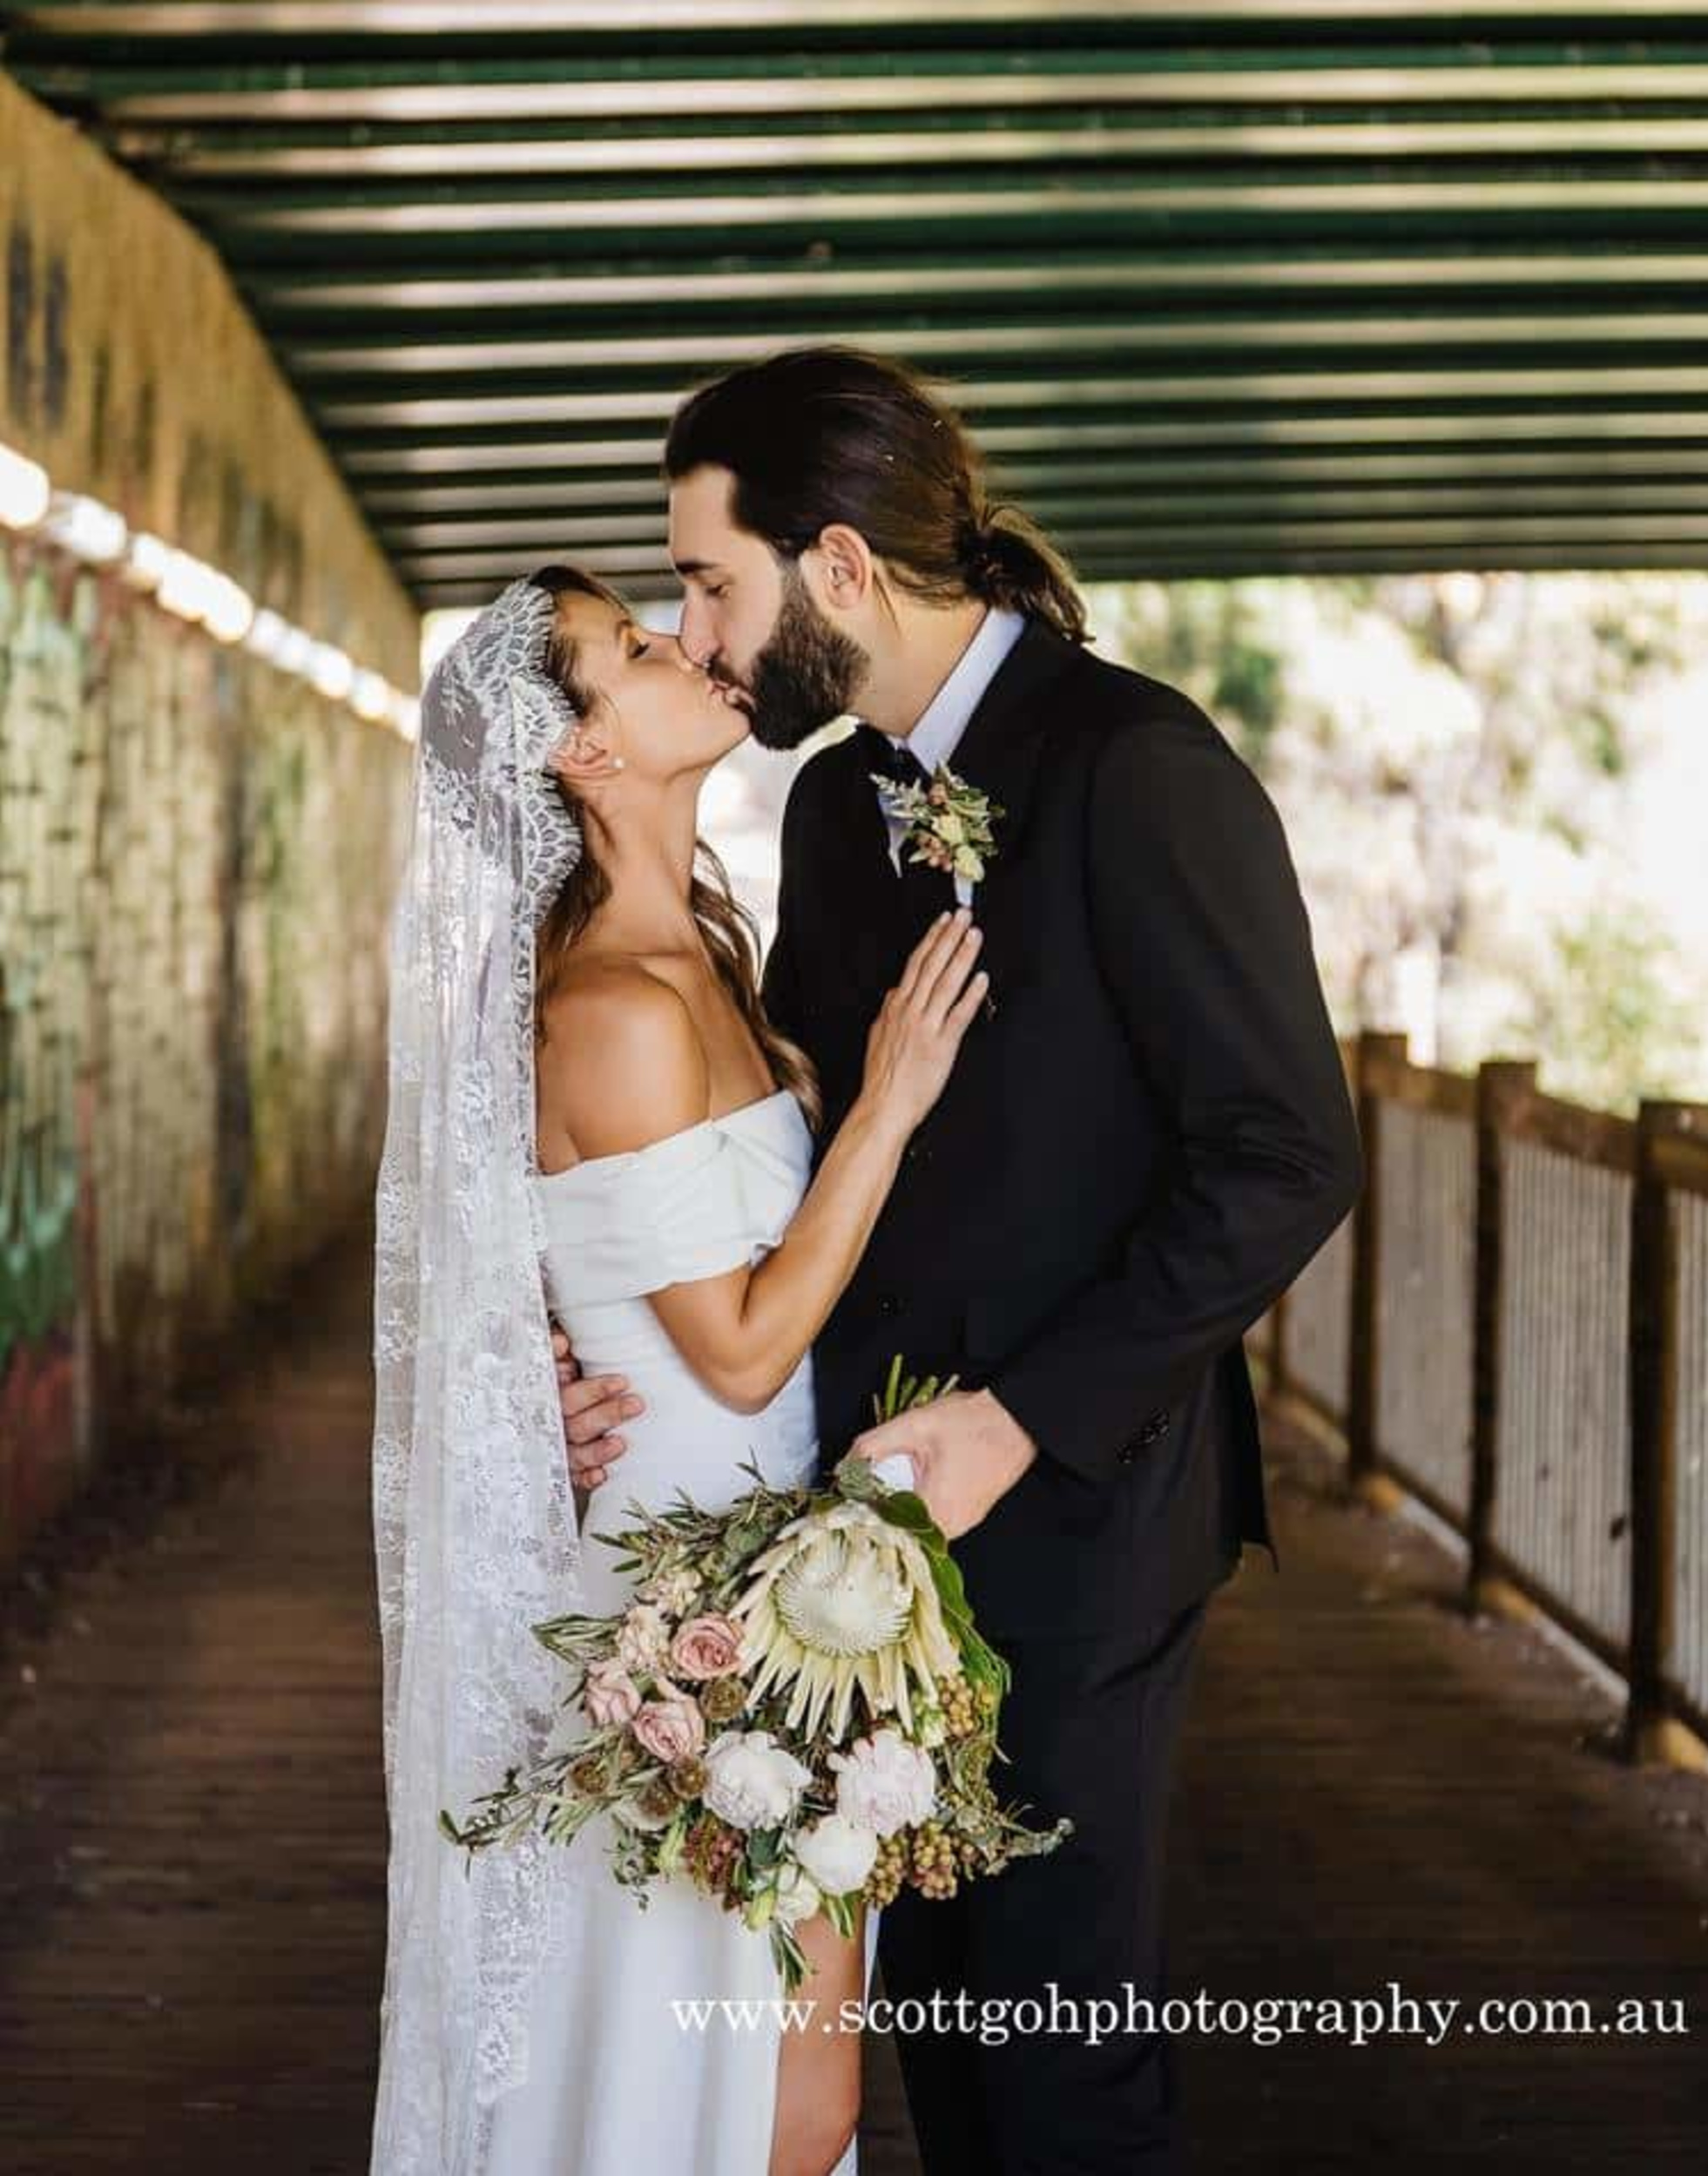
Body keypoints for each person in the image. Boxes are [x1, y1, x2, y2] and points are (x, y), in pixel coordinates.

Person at [558, 347, 1365, 2173]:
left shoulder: (1139, 765)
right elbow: (789, 1158)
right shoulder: (837, 806)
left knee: (1064, 2060)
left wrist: (1025, 1417)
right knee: (936, 2050)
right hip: (840, 1529)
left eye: (710, 583)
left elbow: (1286, 1154)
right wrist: (603, 1332)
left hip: (1083, 1516)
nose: (698, 630)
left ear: (837, 567)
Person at [368, 565, 986, 2176]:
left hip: (775, 1569)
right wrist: (887, 1104)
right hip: (686, 1603)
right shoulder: (613, 1009)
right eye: (633, 651)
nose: (688, 646)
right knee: (754, 2099)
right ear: (579, 756)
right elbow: (740, 1343)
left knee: (799, 2100)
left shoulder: (706, 951)